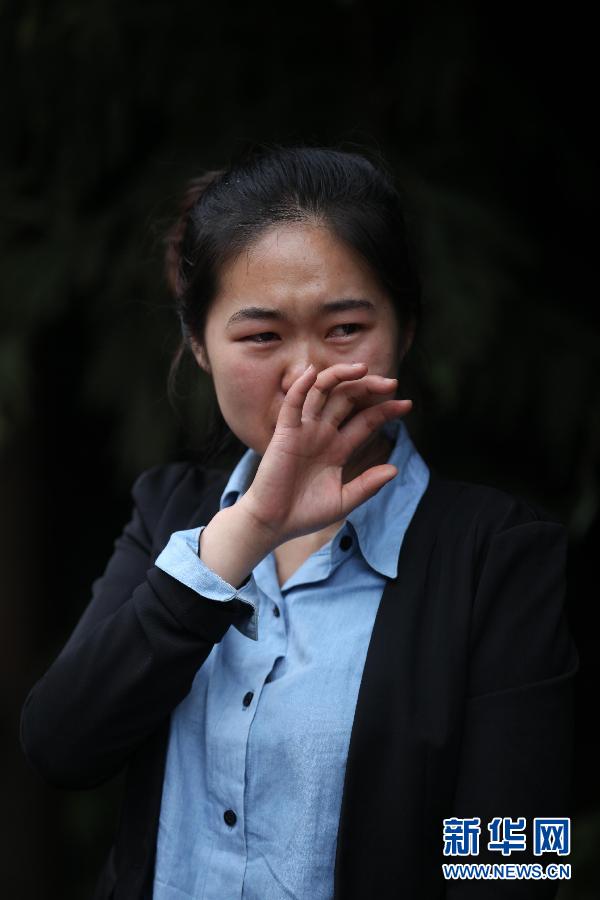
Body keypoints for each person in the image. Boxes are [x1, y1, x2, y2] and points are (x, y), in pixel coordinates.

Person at [20, 145, 578, 899]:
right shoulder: (172, 518)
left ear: (405, 329)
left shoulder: (499, 557)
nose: (307, 373)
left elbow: (512, 868)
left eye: (344, 327)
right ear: (199, 345)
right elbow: (60, 744)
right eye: (260, 337)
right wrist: (250, 528)